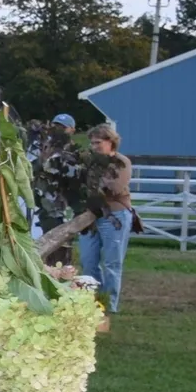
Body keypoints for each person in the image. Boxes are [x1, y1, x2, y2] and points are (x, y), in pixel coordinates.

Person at [77, 124, 134, 312]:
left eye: (98, 142)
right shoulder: (89, 161)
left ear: (110, 142)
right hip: (90, 215)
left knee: (112, 262)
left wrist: (92, 183)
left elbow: (115, 187)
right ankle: (92, 301)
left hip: (115, 214)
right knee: (88, 260)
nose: (94, 146)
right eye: (92, 143)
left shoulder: (121, 162)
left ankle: (109, 305)